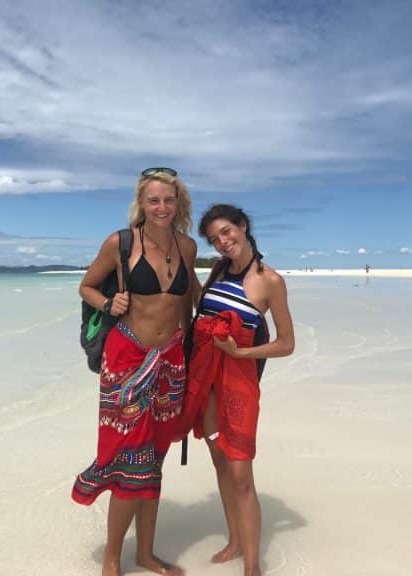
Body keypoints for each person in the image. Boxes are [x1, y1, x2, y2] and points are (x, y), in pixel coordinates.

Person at [72, 167, 197, 576]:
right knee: (129, 459)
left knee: (154, 459)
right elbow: (87, 286)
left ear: (179, 203)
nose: (162, 207)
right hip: (127, 357)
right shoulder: (121, 242)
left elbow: (188, 301)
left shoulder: (187, 247)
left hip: (171, 361)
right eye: (153, 200)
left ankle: (145, 553)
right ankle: (112, 557)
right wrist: (109, 305)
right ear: (141, 204)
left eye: (169, 200)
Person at [175, 204, 295, 576]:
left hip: (239, 386)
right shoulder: (218, 270)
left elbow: (287, 344)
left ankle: (254, 566)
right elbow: (201, 309)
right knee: (219, 462)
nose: (223, 242)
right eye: (214, 239)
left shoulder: (269, 281)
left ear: (243, 226)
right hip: (206, 380)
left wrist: (241, 351)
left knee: (241, 473)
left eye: (227, 232)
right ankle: (235, 540)